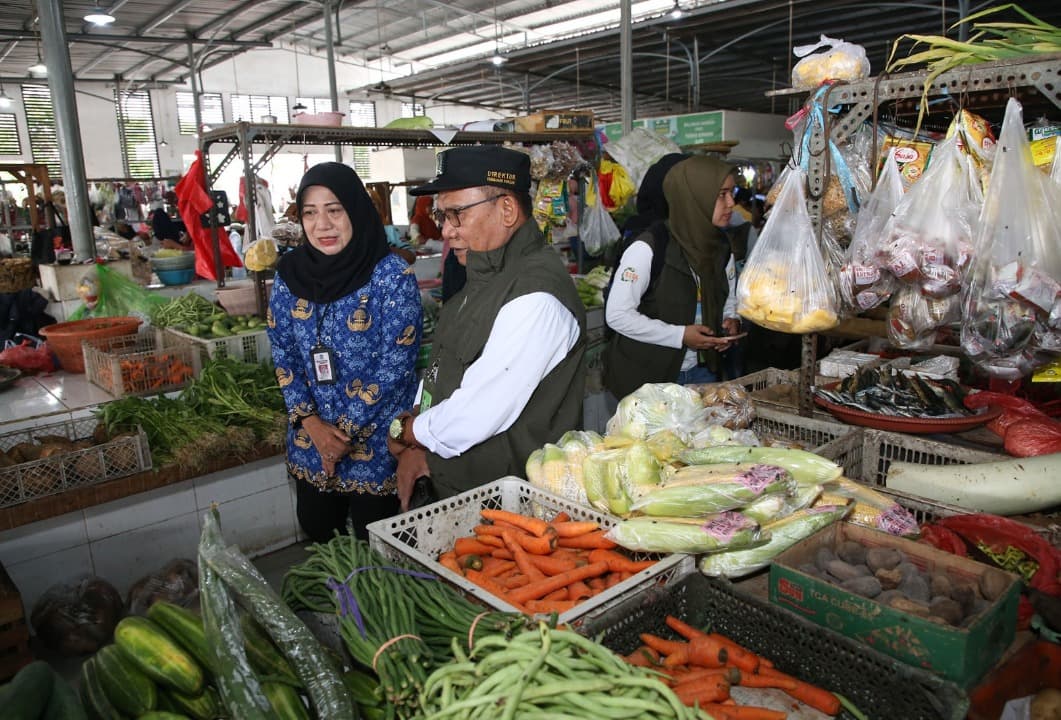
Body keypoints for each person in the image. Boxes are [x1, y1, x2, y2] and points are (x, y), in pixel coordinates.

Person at [386, 146, 586, 508]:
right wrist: (419, 439)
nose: (446, 230)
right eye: (441, 214)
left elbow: (477, 413)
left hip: (507, 504)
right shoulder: (482, 277)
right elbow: (441, 368)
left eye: (456, 214)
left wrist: (407, 431)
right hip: (462, 486)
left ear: (506, 209)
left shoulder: (534, 293)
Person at [267, 161, 422, 542]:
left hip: (378, 447)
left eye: (334, 210)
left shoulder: (390, 276)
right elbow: (283, 353)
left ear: (354, 209)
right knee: (322, 541)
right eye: (310, 213)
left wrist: (343, 436)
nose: (323, 225)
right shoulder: (289, 274)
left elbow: (395, 367)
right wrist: (312, 425)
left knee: (382, 551)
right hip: (312, 444)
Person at [603, 154, 747, 402]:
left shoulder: (720, 247)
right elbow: (617, 315)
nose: (731, 203)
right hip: (648, 380)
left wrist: (730, 319)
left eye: (731, 192)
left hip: (702, 374)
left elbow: (729, 295)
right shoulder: (648, 247)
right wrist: (679, 335)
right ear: (694, 197)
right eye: (721, 194)